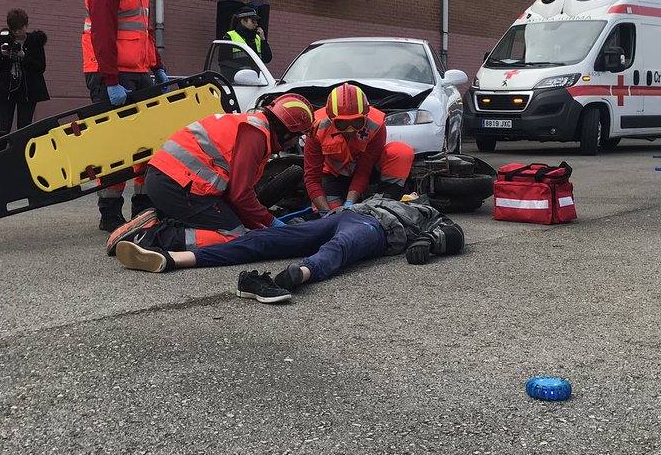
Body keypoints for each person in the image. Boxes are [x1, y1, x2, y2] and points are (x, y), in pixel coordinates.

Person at [111, 193, 466, 303]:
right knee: (266, 239)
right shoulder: (383, 195)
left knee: (342, 248)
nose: (412, 196)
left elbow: (455, 235)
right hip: (345, 215)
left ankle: (298, 275)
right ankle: (173, 260)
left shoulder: (428, 214)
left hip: (376, 228)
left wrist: (428, 241)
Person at [108, 93, 316, 249]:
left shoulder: (251, 125)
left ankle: (160, 219)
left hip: (169, 181)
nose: (295, 142)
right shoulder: (256, 136)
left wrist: (259, 222)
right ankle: (151, 237)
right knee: (234, 235)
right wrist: (271, 222)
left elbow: (235, 195)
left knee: (235, 223)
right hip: (175, 186)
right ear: (286, 131)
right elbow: (240, 195)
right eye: (296, 135)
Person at [83, 0, 172, 231]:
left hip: (138, 70)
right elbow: (102, 36)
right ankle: (109, 212)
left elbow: (143, 31)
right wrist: (110, 81)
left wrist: (158, 67)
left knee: (149, 142)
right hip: (109, 73)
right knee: (116, 148)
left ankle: (144, 206)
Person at [304, 83, 415, 212]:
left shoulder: (376, 125)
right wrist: (325, 213)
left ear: (366, 116)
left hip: (366, 173)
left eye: (357, 122)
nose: (350, 130)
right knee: (332, 213)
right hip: (333, 176)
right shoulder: (316, 128)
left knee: (400, 152)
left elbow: (364, 169)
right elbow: (312, 177)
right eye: (342, 124)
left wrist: (350, 201)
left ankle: (386, 202)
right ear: (331, 119)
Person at [0, 8, 49, 137]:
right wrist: (3, 55)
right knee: (3, 128)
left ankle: (23, 155)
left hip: (27, 90)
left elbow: (40, 67)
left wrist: (24, 56)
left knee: (24, 128)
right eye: (14, 30)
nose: (17, 32)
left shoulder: (35, 41)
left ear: (26, 25)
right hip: (6, 89)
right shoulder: (5, 41)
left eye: (20, 29)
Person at [218, 6, 272, 80]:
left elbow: (267, 59)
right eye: (253, 21)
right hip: (236, 82)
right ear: (242, 21)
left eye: (256, 21)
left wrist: (263, 40)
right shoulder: (229, 37)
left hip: (256, 81)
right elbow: (224, 62)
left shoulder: (257, 37)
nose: (256, 24)